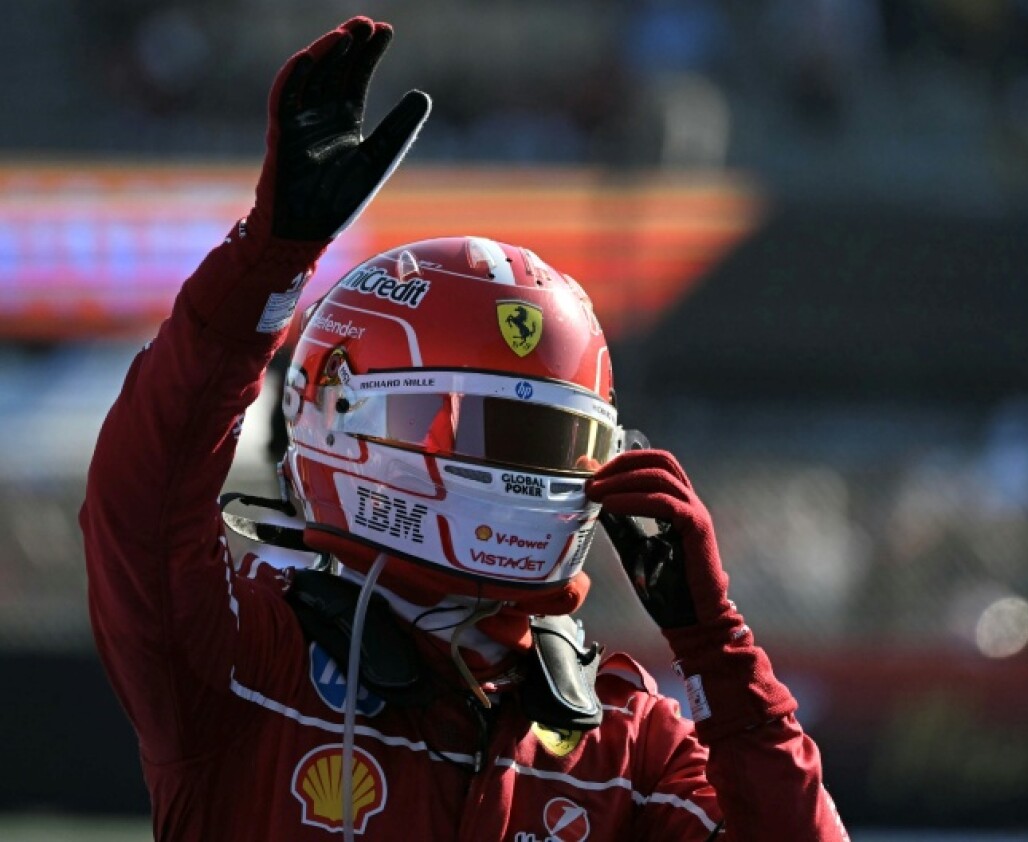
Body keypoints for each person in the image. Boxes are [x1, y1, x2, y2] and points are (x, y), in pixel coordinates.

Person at [80, 16, 849, 841]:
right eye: (497, 434)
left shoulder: (625, 745)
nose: (536, 478)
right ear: (352, 422)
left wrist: (717, 650)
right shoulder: (243, 658)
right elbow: (141, 505)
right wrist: (267, 262)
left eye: (560, 444)